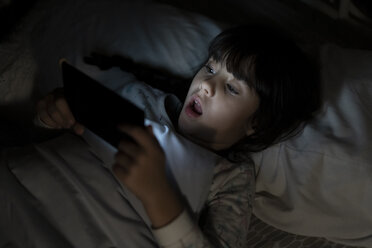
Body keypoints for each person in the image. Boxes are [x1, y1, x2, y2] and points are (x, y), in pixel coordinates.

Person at [18, 25, 320, 247]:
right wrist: (49, 115)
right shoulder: (140, 97)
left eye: (231, 88)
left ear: (256, 123)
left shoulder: (230, 179)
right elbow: (42, 138)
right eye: (210, 68)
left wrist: (157, 195)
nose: (206, 85)